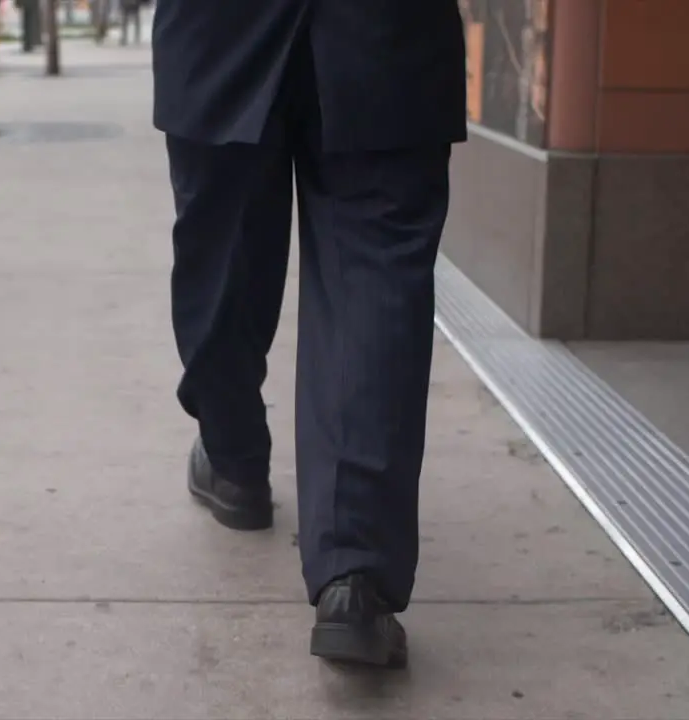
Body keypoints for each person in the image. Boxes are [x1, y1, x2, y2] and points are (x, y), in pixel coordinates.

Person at [152, 0, 467, 666]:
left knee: (224, 248)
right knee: (371, 263)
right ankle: (354, 575)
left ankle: (233, 458)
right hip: (385, 26)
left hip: (220, 25)